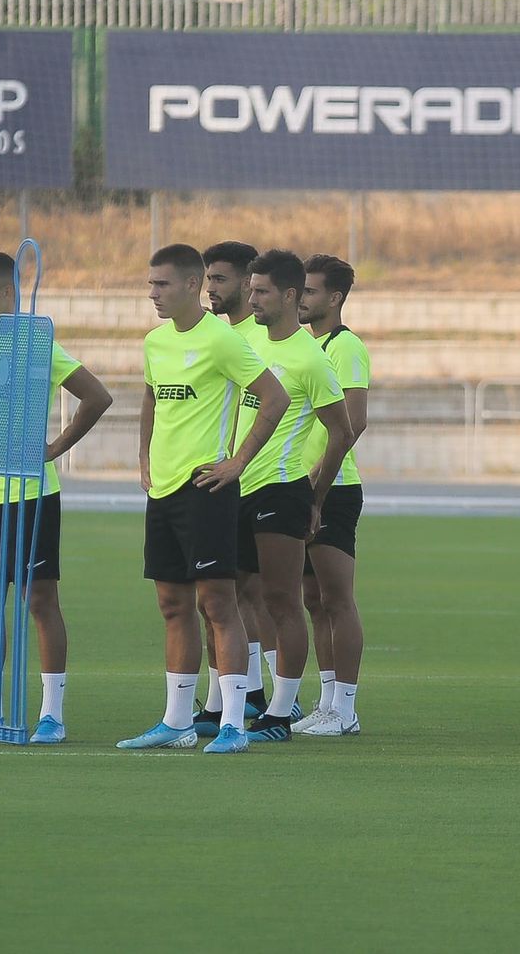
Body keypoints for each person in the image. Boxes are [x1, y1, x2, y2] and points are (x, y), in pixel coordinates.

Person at [0, 252, 114, 745]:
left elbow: (97, 396)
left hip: (32, 495)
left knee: (39, 600)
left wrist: (55, 447)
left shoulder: (37, 343)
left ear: (8, 292)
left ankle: (52, 715)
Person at [118, 243, 288, 754]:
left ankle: (233, 723)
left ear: (192, 285)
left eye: (162, 284)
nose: (153, 293)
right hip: (164, 490)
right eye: (150, 284)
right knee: (173, 605)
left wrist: (238, 462)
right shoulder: (155, 342)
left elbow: (274, 398)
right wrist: (144, 456)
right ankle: (177, 722)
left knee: (218, 604)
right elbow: (151, 396)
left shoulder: (222, 340)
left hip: (207, 489)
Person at [229, 250, 354, 743]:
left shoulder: (310, 358)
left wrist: (315, 498)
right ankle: (233, 702)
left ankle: (280, 713)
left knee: (282, 600)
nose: (252, 299)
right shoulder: (247, 342)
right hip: (236, 486)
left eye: (261, 291)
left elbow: (343, 431)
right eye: (250, 289)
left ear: (288, 296)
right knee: (232, 594)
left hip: (281, 489)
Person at [195, 239, 277, 726]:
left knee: (249, 595)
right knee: (219, 597)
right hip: (223, 483)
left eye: (219, 279)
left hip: (259, 480)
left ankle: (267, 697)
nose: (210, 288)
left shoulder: (257, 339)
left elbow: (282, 405)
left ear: (248, 283)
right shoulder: (220, 335)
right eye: (208, 278)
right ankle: (231, 698)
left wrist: (243, 462)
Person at [293, 254, 371, 737]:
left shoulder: (346, 347)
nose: (301, 299)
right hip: (300, 486)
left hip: (333, 487)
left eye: (311, 291)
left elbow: (353, 422)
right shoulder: (306, 344)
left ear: (335, 297)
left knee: (337, 598)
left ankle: (346, 708)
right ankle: (325, 703)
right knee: (313, 600)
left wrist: (318, 485)